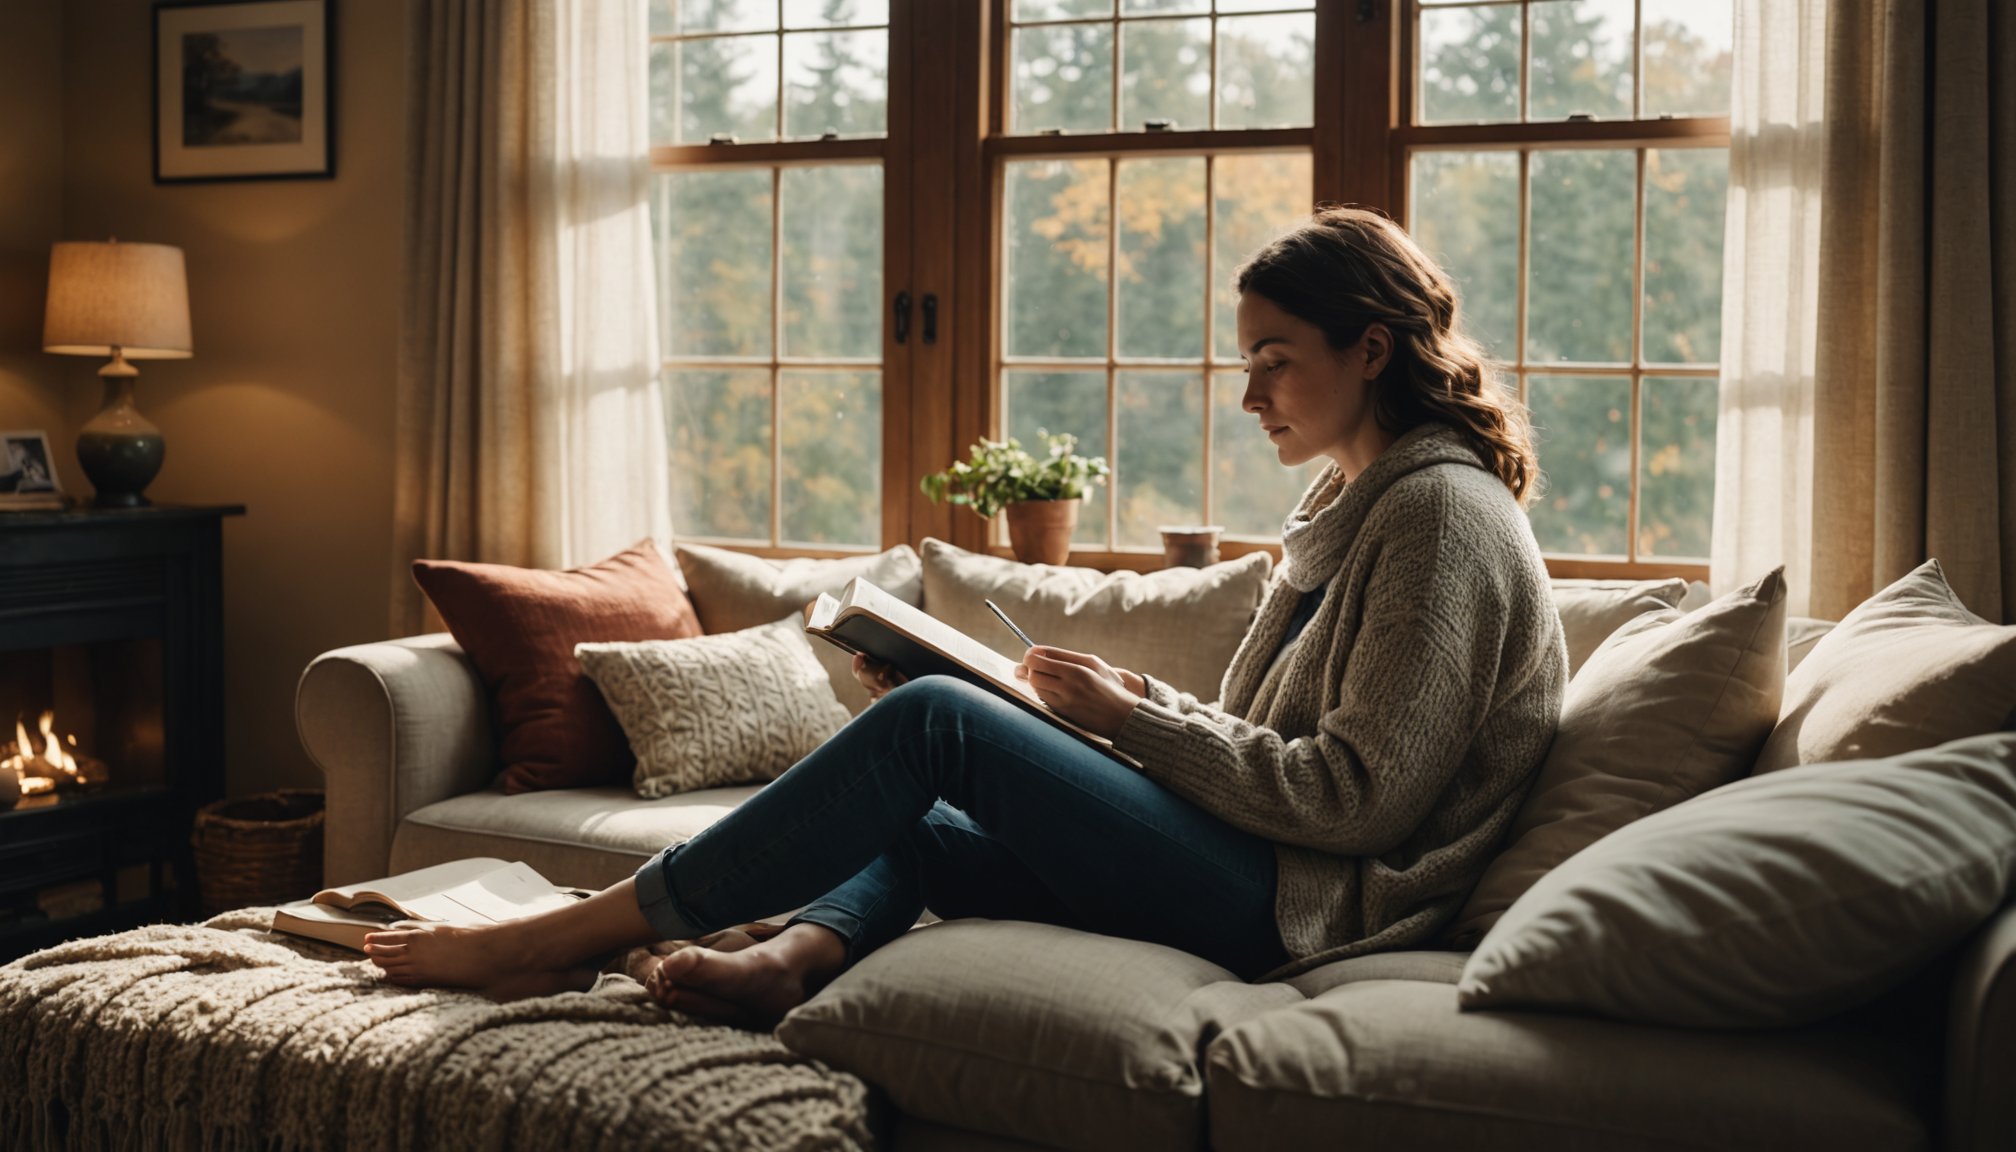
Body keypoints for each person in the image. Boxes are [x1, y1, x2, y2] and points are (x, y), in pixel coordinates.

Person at [362, 206, 1568, 1026]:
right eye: (1242, 361)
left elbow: (1362, 800)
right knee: (924, 794)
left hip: (1310, 911)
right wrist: (1131, 707)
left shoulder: (1440, 520)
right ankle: (794, 960)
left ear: (1369, 350)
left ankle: (554, 939)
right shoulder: (1349, 501)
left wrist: (1137, 728)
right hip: (1269, 864)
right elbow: (1276, 740)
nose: (1248, 393)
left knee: (936, 721)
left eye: (1273, 359)